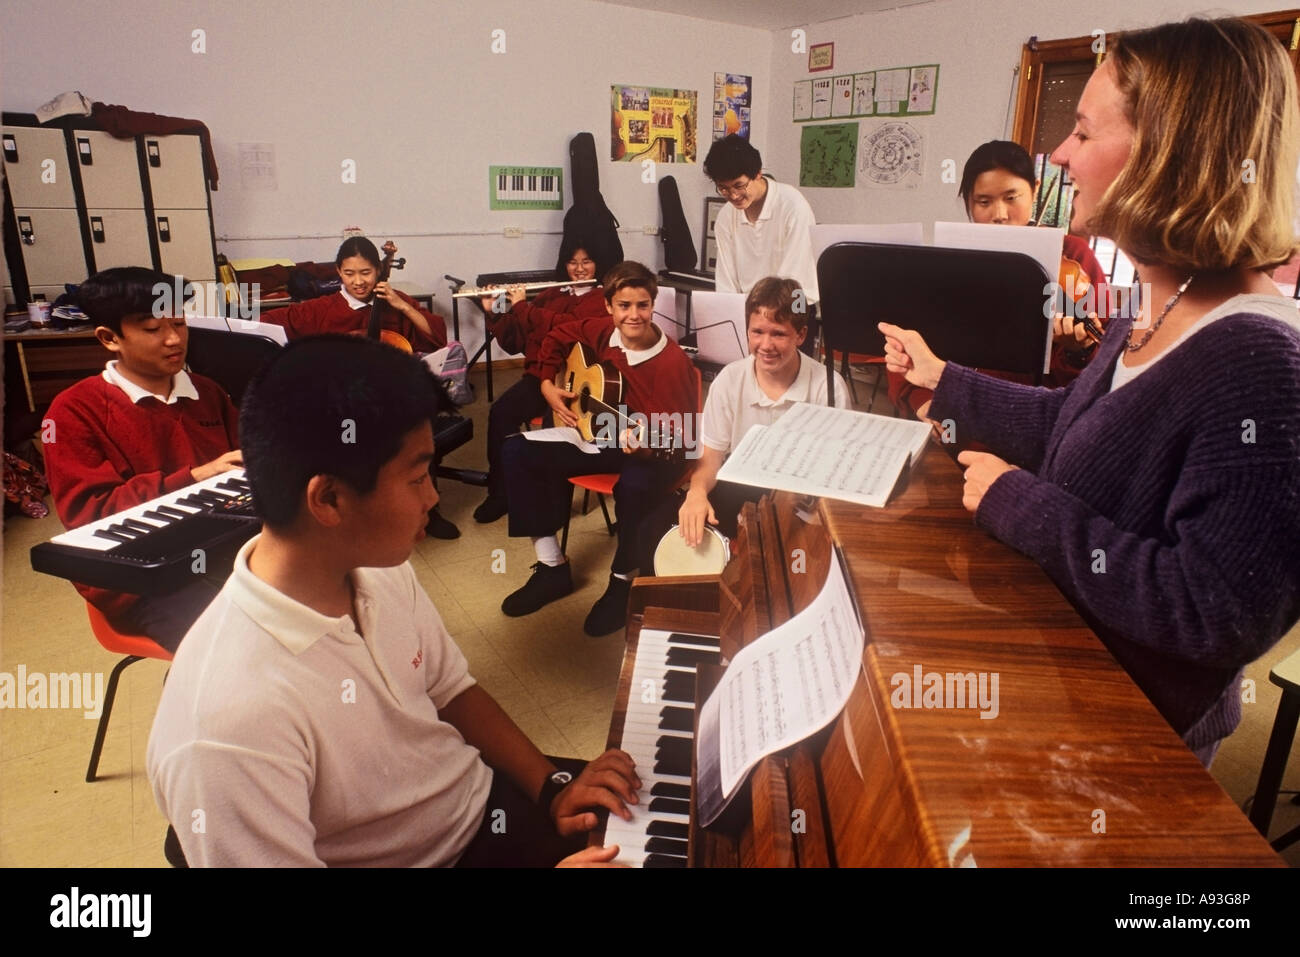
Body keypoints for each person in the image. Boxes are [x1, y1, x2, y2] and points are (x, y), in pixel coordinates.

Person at [880, 16, 1300, 766]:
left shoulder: (1263, 366)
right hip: (1064, 663)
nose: (1061, 156)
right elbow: (1075, 423)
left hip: (1134, 729)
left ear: (1168, 151)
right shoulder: (1156, 297)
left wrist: (1023, 504)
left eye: (1081, 131)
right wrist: (944, 377)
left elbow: (1213, 611)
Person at [147, 335, 637, 866]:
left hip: (479, 801)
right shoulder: (225, 725)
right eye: (417, 477)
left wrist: (551, 787)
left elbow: (452, 692)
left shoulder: (376, 568)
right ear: (329, 498)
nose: (433, 497)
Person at [40, 267, 242, 652]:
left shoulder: (206, 390)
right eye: (152, 329)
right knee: (234, 652)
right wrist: (196, 478)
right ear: (109, 338)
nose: (173, 339)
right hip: (142, 578)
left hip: (223, 548)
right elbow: (91, 515)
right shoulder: (72, 412)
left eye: (180, 324)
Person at [499, 261, 699, 637]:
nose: (633, 315)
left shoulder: (671, 364)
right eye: (624, 306)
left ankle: (623, 583)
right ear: (608, 306)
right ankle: (552, 568)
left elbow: (681, 439)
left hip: (652, 450)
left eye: (643, 305)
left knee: (635, 487)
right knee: (517, 452)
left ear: (653, 304)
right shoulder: (602, 331)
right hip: (597, 432)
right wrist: (546, 384)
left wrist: (641, 447)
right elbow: (557, 335)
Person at [888, 139, 1111, 420]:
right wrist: (925, 404)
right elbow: (907, 345)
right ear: (968, 201)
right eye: (983, 202)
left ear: (1035, 190)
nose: (1000, 215)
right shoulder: (947, 262)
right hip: (958, 414)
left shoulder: (1074, 257)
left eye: (1011, 197)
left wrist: (1078, 352)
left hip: (1040, 420)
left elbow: (1103, 366)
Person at [637, 276, 848, 573]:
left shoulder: (829, 387)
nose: (765, 345)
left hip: (800, 498)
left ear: (801, 335)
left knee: (792, 571)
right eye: (757, 332)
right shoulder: (729, 379)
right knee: (654, 532)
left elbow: (834, 474)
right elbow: (711, 457)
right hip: (740, 485)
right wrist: (696, 493)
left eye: (778, 334)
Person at [267, 236, 460, 538]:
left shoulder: (395, 302)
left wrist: (402, 306)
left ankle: (427, 510)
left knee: (415, 436)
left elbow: (435, 337)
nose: (358, 282)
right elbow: (266, 328)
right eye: (349, 273)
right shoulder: (321, 309)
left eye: (366, 273)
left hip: (393, 402)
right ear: (339, 272)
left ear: (378, 271)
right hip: (339, 405)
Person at [472, 238, 612, 524]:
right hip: (540, 377)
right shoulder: (550, 294)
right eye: (573, 262)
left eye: (587, 261)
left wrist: (524, 307)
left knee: (553, 430)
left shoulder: (602, 299)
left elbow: (568, 328)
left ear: (598, 264)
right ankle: (500, 494)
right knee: (500, 413)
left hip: (575, 384)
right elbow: (515, 342)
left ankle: (550, 505)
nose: (580, 269)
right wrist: (494, 310)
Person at [703, 134, 819, 354]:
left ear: (757, 174)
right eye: (724, 189)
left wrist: (771, 323)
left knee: (788, 382)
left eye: (739, 185)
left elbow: (794, 281)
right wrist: (730, 320)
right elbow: (726, 281)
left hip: (794, 306)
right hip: (750, 312)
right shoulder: (727, 217)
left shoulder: (792, 206)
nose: (734, 195)